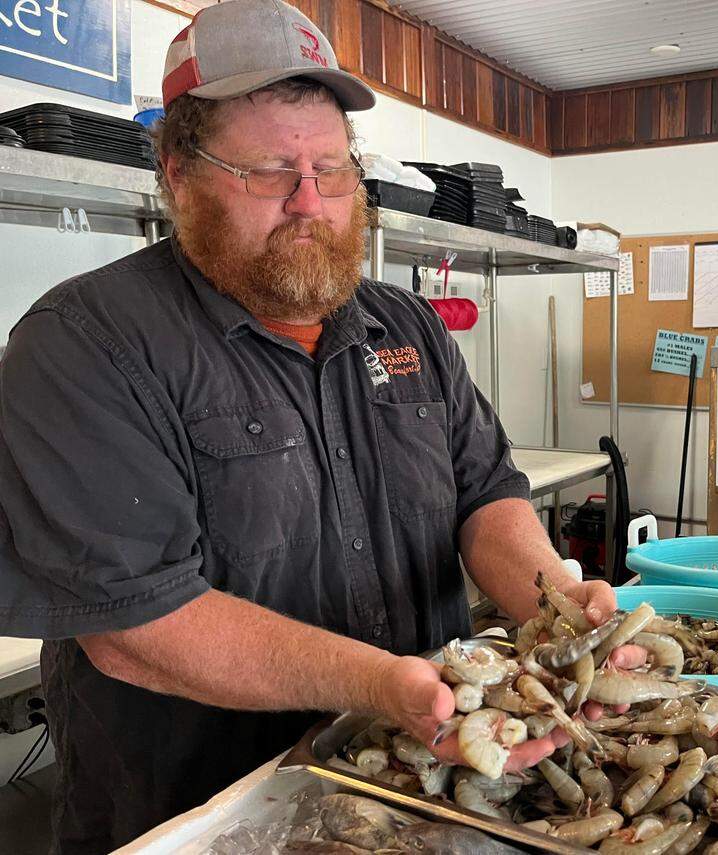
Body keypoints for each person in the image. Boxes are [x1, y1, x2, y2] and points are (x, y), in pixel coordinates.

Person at [0, 2, 634, 851]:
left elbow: (486, 496)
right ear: (177, 170)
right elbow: (135, 623)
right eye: (269, 171)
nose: (311, 202)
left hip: (419, 786)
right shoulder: (85, 344)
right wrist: (384, 685)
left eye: (332, 169)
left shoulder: (407, 327)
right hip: (203, 811)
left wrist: (556, 612)